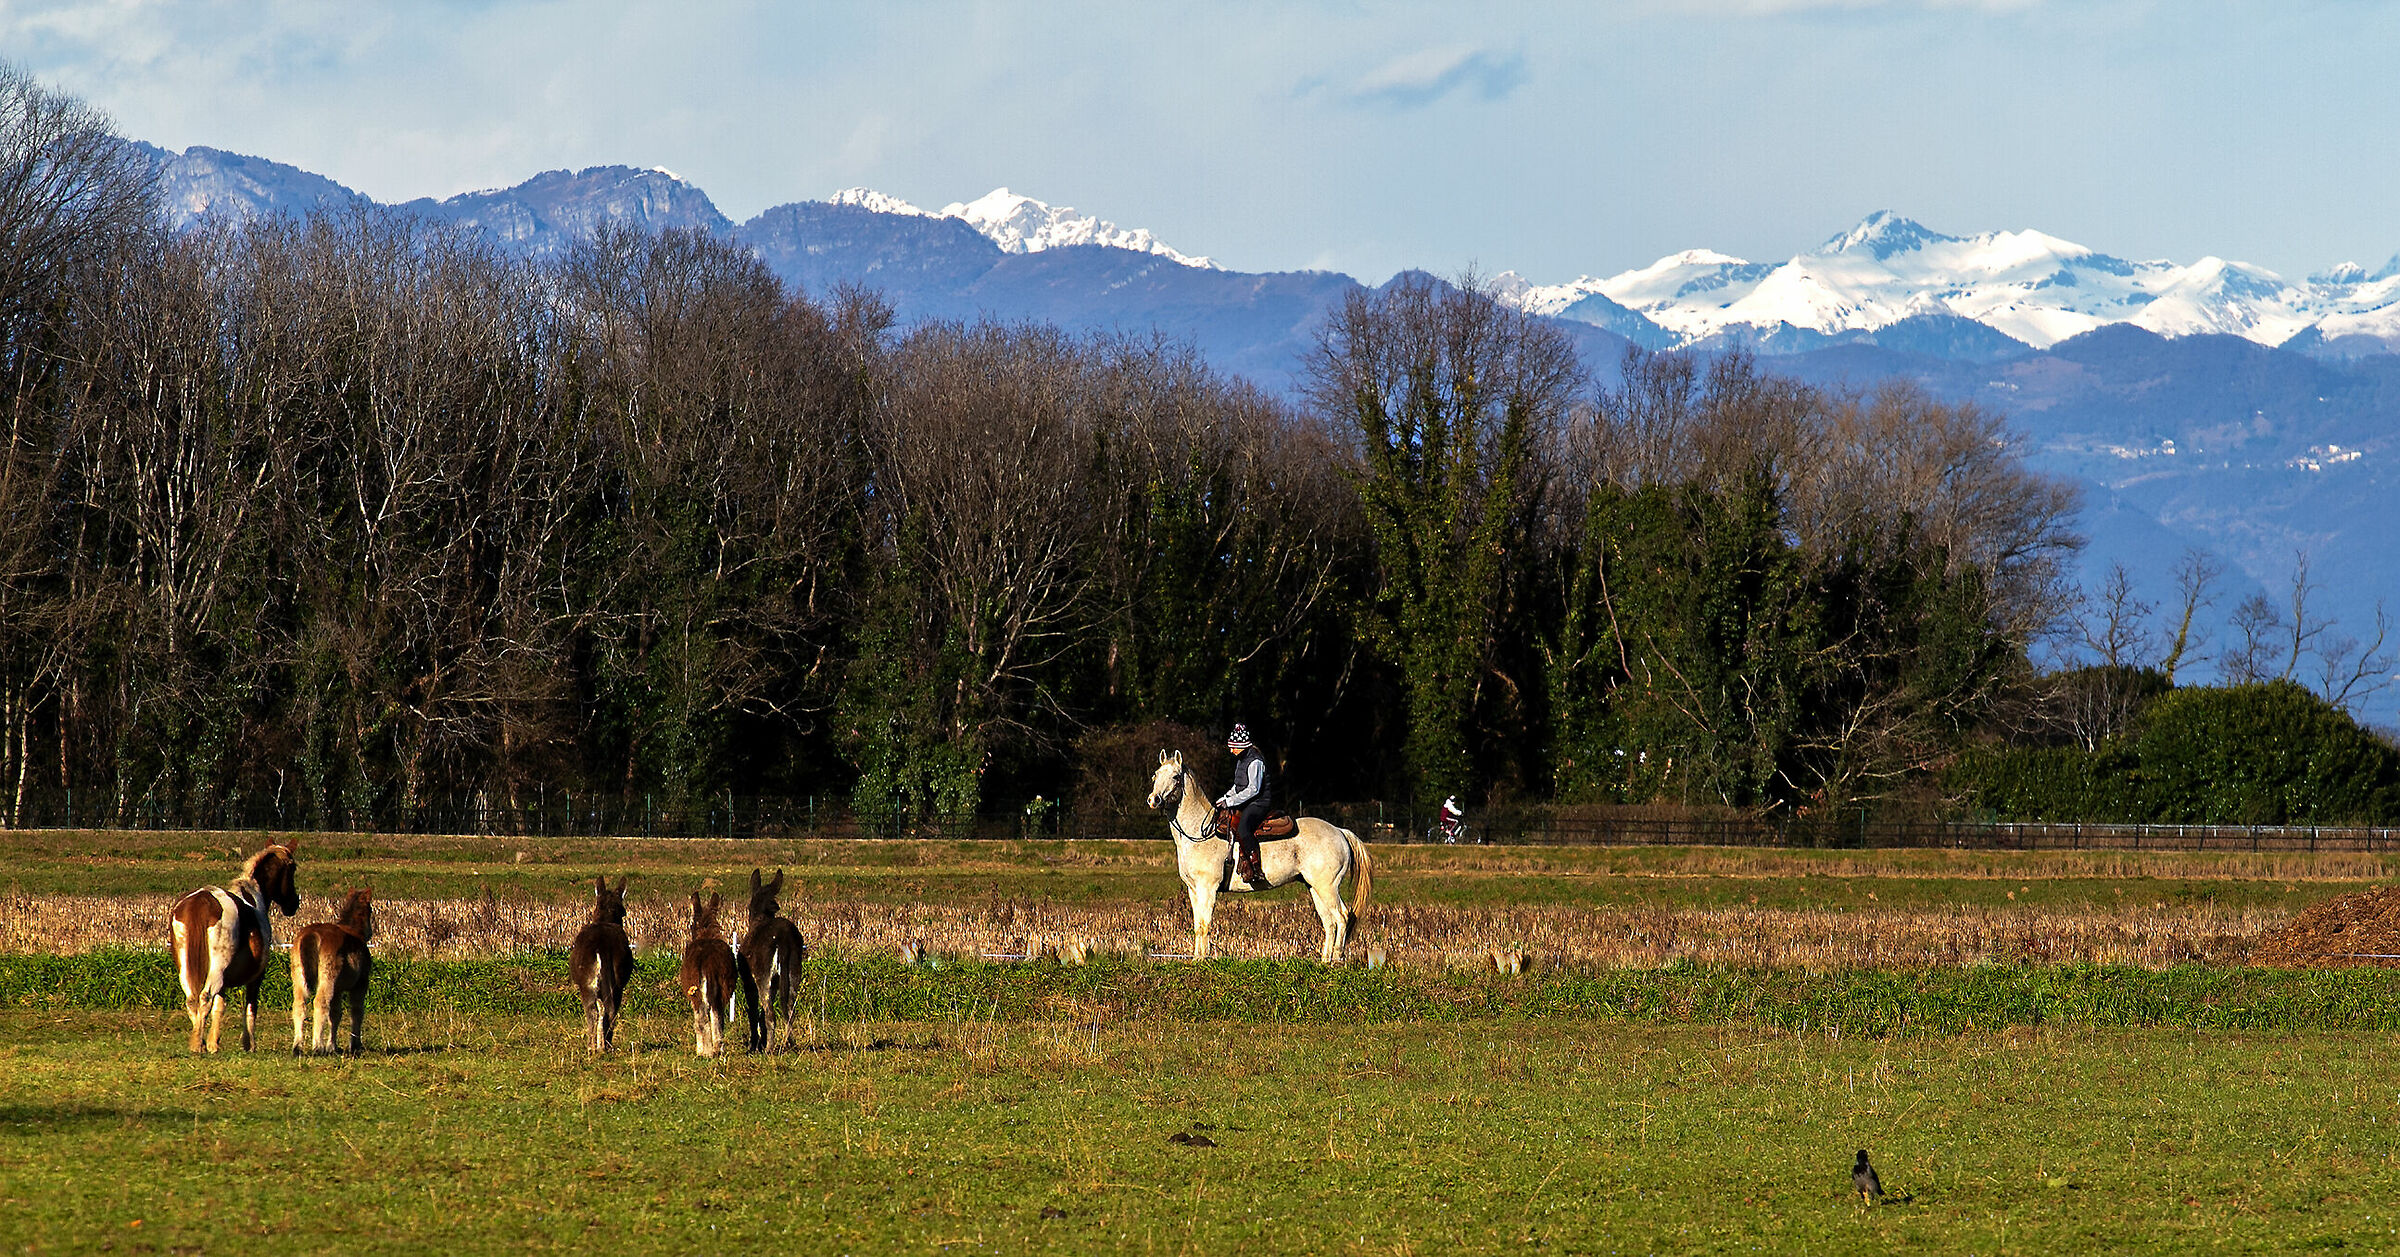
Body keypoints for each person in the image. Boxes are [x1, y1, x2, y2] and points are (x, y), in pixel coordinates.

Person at [1216, 724, 1272, 884]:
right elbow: (1238, 786)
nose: (1230, 750)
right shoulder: (1241, 760)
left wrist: (1230, 801)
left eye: (1233, 747)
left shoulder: (1255, 762)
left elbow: (1253, 789)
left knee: (1243, 829)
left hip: (1258, 803)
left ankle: (1255, 868)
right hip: (1246, 801)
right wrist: (1225, 797)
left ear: (1242, 746)